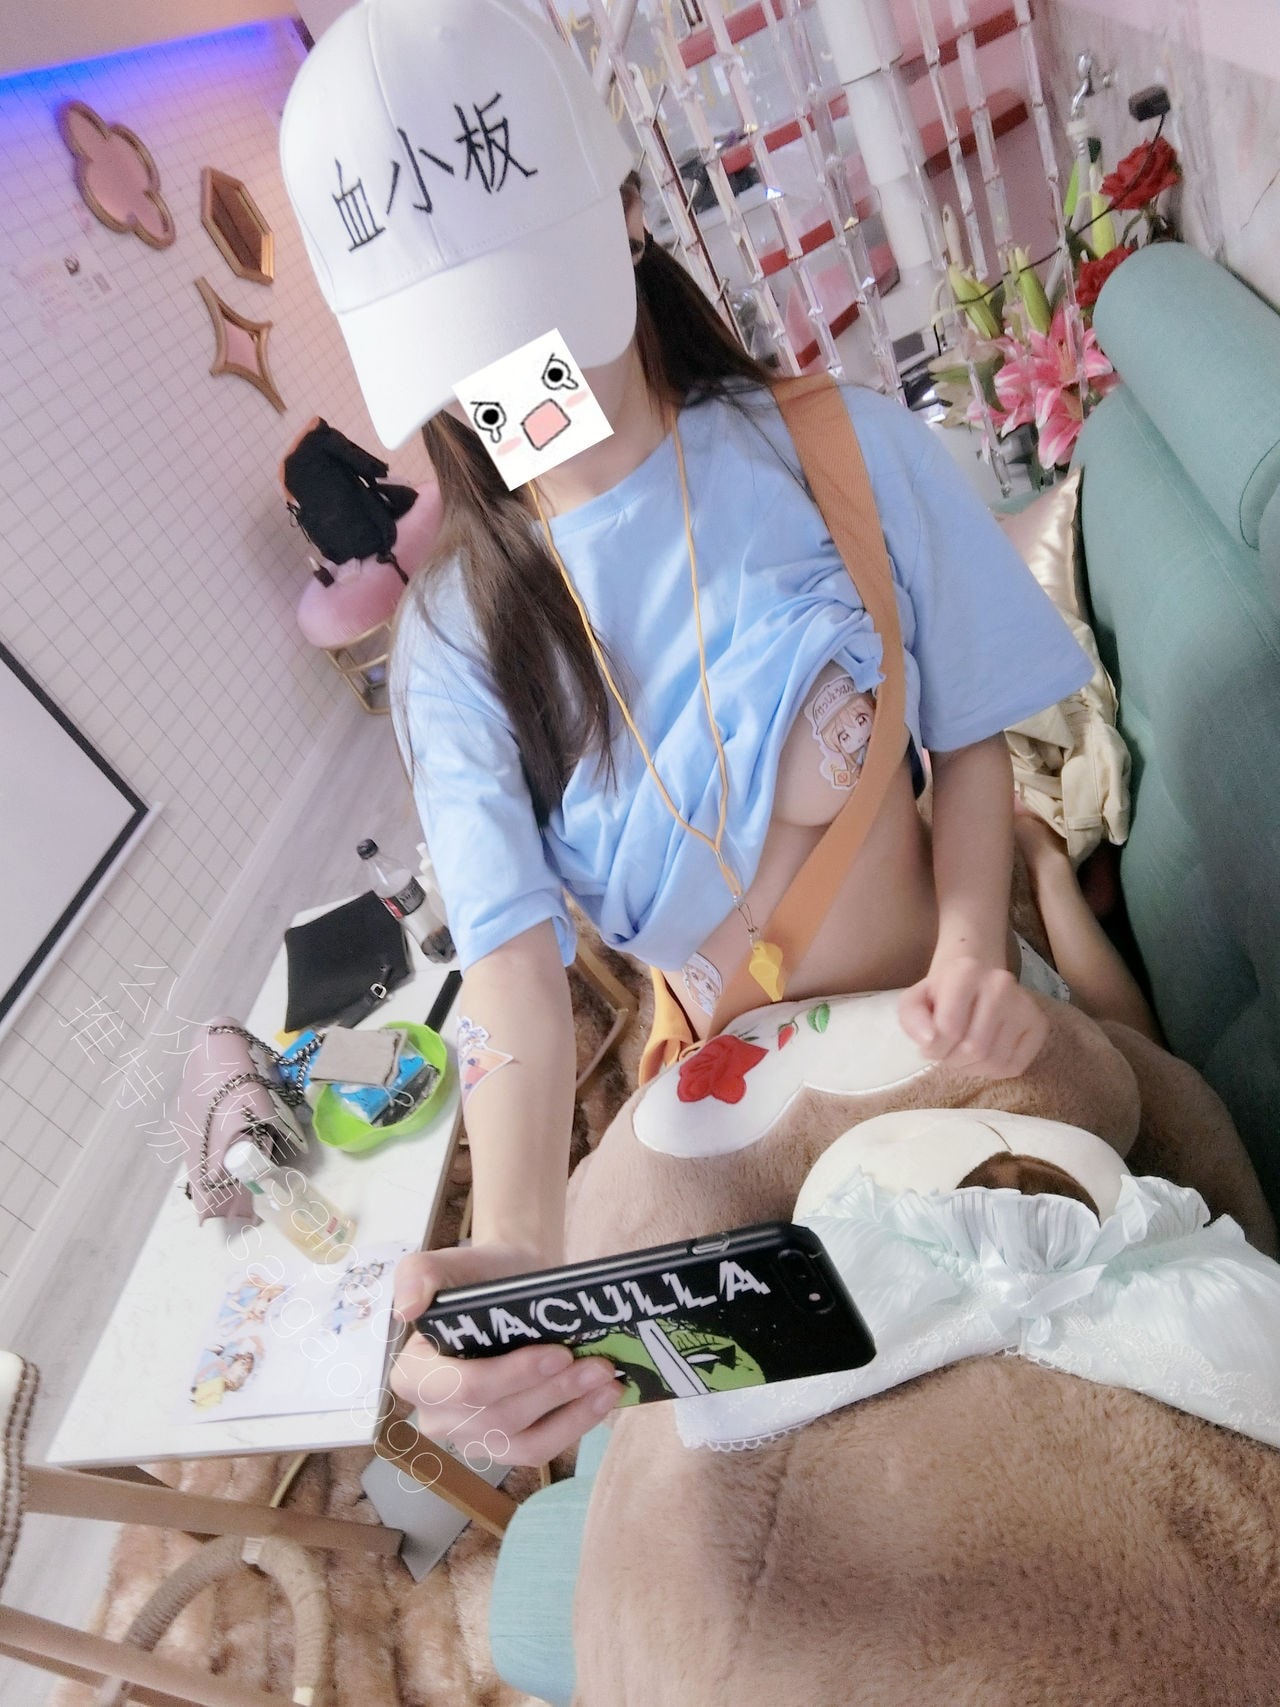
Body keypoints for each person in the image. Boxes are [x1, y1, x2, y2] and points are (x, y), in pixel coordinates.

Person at [280, 0, 1153, 1467]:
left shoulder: (840, 448)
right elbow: (514, 974)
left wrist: (973, 953)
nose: (514, 384)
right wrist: (522, 1245)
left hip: (947, 1036)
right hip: (746, 1116)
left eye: (533, 316)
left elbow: (969, 742)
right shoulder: (452, 647)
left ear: (627, 211)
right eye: (463, 353)